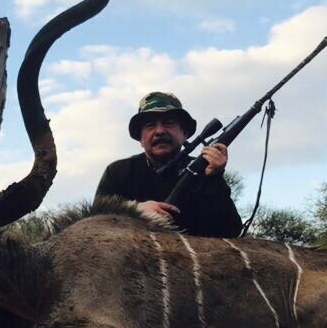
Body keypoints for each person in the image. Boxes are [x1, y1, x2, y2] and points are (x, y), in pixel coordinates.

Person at [95, 91, 242, 237]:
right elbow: (95, 226)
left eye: (168, 123)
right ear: (140, 139)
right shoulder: (118, 173)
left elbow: (230, 231)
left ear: (185, 134)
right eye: (150, 125)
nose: (159, 131)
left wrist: (215, 179)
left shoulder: (205, 171)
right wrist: (134, 210)